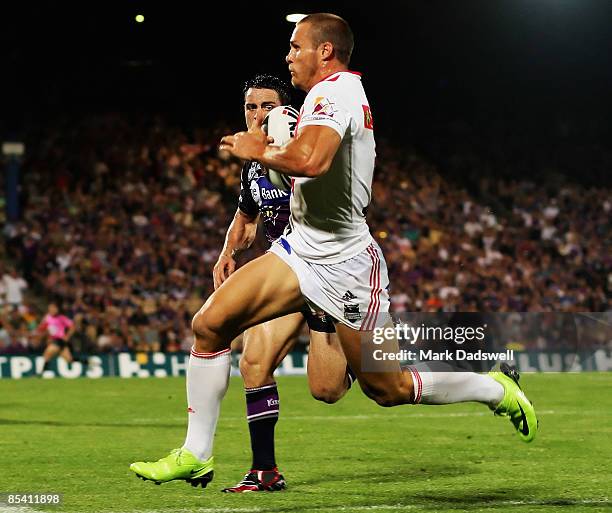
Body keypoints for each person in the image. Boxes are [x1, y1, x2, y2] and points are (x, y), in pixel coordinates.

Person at [130, 12, 537, 490]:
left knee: (389, 388)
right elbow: (297, 163)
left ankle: (494, 389)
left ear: (325, 51)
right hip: (300, 249)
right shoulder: (320, 99)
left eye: (295, 46)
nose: (289, 56)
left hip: (349, 266)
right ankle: (196, 454)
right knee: (209, 324)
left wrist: (257, 149)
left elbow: (314, 161)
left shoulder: (338, 92)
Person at [215, 74, 354, 492]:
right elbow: (246, 218)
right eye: (250, 107)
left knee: (328, 390)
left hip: (330, 276)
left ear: (285, 111)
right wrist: (228, 252)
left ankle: (363, 358)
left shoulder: (304, 153)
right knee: (253, 363)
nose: (257, 115)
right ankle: (265, 471)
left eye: (266, 106)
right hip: (285, 275)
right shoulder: (254, 166)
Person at [37, 303, 86, 375]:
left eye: (53, 308)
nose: (52, 310)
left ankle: (41, 374)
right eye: (50, 308)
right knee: (69, 360)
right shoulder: (47, 317)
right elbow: (43, 328)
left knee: (47, 353)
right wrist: (43, 330)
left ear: (57, 309)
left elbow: (72, 326)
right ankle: (87, 362)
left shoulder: (61, 318)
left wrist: (67, 336)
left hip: (59, 340)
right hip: (54, 340)